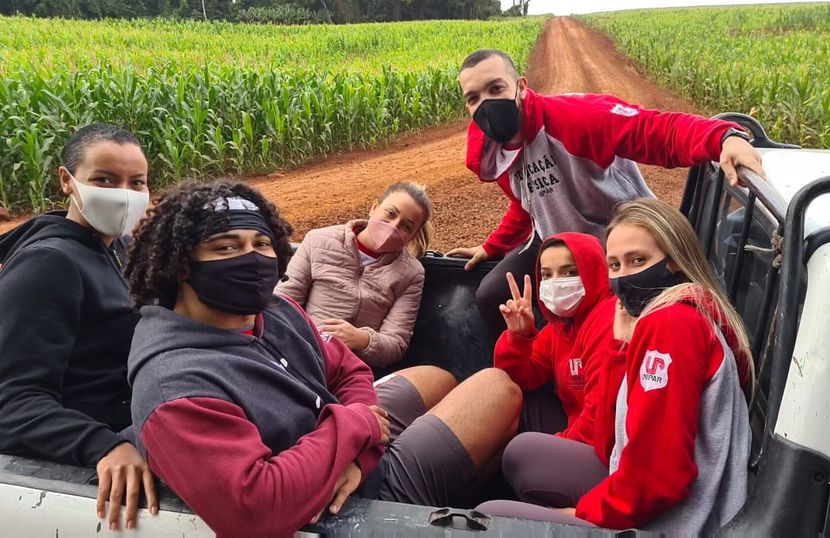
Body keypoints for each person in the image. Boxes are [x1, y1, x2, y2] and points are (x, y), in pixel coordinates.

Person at [124, 180, 522, 537]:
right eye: (226, 247)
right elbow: (257, 508)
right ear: (180, 264)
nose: (251, 258)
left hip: (349, 452)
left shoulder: (274, 311)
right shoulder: (176, 388)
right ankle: (414, 515)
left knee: (438, 377)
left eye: (261, 244)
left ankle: (430, 485)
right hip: (340, 505)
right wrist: (358, 425)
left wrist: (361, 447)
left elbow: (350, 367)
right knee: (497, 387)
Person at [446, 48, 766, 338]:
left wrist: (724, 137)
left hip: (620, 241)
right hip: (561, 244)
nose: (486, 104)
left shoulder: (574, 119)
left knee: (611, 327)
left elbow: (653, 130)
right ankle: (532, 364)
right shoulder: (495, 153)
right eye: (473, 98)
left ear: (521, 87)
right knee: (491, 295)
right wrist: (492, 246)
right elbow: (527, 202)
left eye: (496, 88)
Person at [478, 199, 754, 534]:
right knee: (519, 460)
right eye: (615, 265)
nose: (624, 276)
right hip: (652, 494)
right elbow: (614, 437)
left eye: (638, 260)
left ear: (675, 260)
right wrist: (622, 348)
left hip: (676, 522)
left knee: (487, 519)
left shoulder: (670, 325)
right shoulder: (678, 314)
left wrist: (582, 513)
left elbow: (658, 477)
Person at [0, 123, 157, 531]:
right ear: (67, 181)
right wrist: (103, 445)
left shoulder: (120, 247)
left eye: (136, 182)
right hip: (91, 449)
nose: (123, 194)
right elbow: (13, 401)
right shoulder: (49, 264)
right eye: (104, 179)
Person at [493, 233, 623, 506]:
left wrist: (556, 444)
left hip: (607, 451)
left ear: (593, 270)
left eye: (570, 272)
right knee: (505, 395)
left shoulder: (608, 320)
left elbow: (601, 420)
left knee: (522, 455)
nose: (556, 283)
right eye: (547, 275)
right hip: (577, 426)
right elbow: (519, 378)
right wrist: (518, 336)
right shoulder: (561, 325)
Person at [276, 182, 432, 368]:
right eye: (390, 213)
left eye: (406, 226)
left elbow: (396, 343)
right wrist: (305, 341)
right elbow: (282, 303)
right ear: (374, 207)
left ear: (412, 237)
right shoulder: (318, 241)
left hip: (353, 369)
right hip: (300, 354)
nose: (393, 226)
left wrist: (362, 339)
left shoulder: (411, 273)